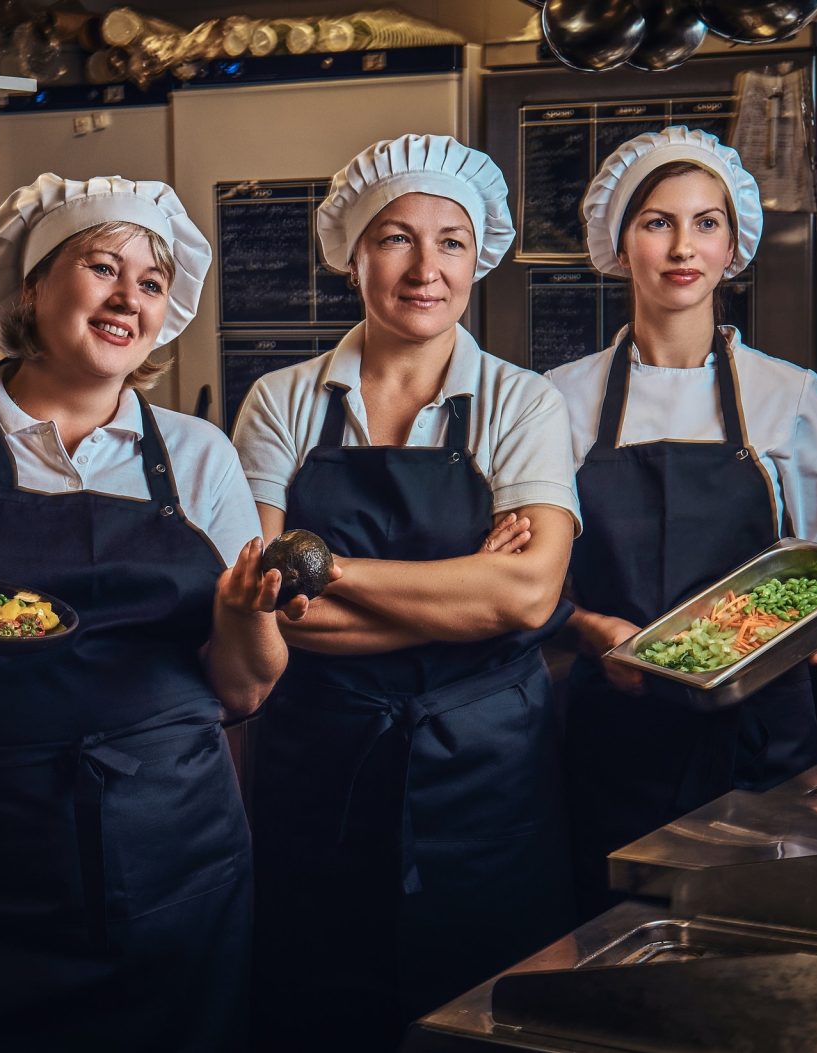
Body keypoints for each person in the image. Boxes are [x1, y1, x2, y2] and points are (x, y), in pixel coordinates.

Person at [0, 174, 294, 1052]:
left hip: (177, 852)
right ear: (31, 285)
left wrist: (245, 614)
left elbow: (246, 690)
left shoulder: (198, 453)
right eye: (102, 266)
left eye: (151, 282)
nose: (129, 298)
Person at [231, 134, 581, 1051]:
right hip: (322, 769)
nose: (427, 268)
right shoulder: (280, 400)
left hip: (493, 776)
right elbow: (264, 599)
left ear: (479, 259)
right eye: (395, 238)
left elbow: (528, 598)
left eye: (452, 242)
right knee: (319, 1007)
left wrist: (331, 567)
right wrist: (463, 588)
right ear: (354, 253)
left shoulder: (524, 401)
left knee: (490, 1018)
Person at [546, 127, 817, 919]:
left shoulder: (787, 394)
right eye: (657, 222)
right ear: (620, 246)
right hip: (613, 731)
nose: (683, 246)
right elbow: (533, 580)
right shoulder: (557, 397)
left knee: (765, 938)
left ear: (733, 247)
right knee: (616, 942)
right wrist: (588, 628)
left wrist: (800, 624)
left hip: (761, 731)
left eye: (706, 222)